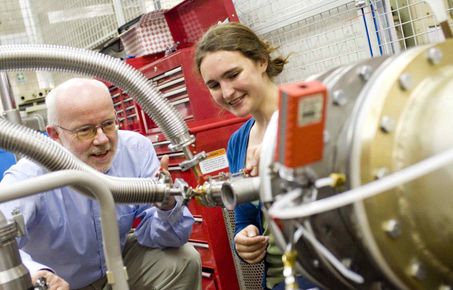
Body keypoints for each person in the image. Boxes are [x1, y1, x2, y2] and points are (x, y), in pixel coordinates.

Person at [0, 78, 201, 290]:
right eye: (85, 130)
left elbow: (169, 237)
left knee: (183, 259)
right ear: (55, 134)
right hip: (62, 284)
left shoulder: (135, 149)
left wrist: (168, 207)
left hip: (116, 267)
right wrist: (37, 275)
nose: (102, 140)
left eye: (108, 124)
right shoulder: (30, 175)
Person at [195, 22, 320, 290]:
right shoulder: (238, 142)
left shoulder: (308, 114)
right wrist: (244, 239)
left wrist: (282, 155)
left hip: (324, 273)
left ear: (261, 62)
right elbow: (245, 218)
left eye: (233, 74)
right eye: (214, 85)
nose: (227, 93)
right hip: (279, 280)